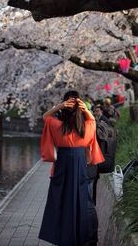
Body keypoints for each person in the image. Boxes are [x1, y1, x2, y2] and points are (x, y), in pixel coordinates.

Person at [39, 90, 105, 246]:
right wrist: (86, 110)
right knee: (82, 201)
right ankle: (85, 238)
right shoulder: (86, 126)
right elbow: (93, 121)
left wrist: (59, 106)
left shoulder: (58, 125)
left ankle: (62, 236)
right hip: (80, 165)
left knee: (60, 200)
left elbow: (45, 117)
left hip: (62, 165)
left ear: (65, 106)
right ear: (80, 106)